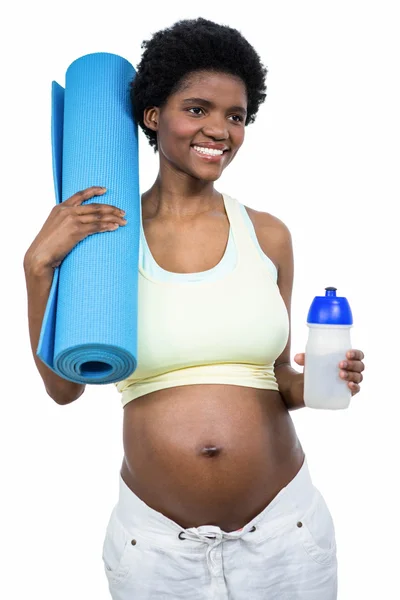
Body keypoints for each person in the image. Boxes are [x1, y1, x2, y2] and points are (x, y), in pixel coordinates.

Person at [23, 17, 365, 600]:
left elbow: (279, 379)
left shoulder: (268, 235)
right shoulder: (103, 241)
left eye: (236, 116)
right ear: (153, 116)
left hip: (286, 535)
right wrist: (38, 268)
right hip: (157, 548)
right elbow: (64, 390)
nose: (220, 131)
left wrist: (322, 382)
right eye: (198, 109)